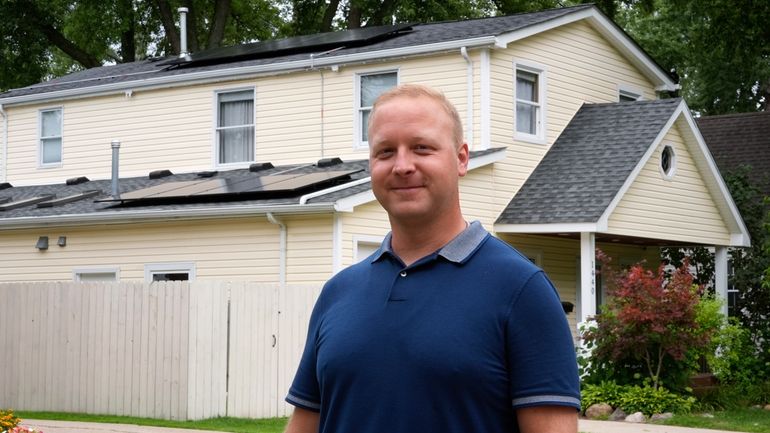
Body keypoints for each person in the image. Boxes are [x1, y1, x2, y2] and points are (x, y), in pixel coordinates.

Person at [284, 84, 580, 433]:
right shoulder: (339, 292)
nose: (402, 165)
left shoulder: (522, 290)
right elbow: (304, 424)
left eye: (422, 148)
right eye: (385, 152)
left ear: (461, 159)